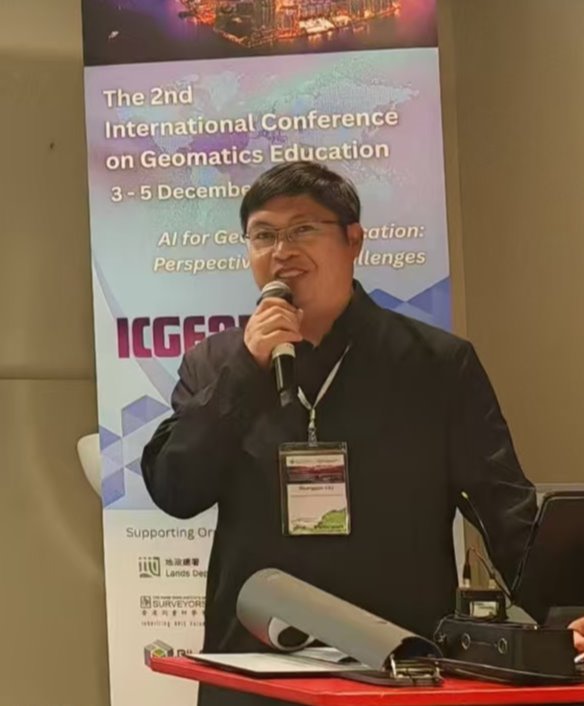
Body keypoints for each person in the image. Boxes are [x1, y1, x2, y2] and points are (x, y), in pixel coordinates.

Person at [141, 161, 538, 705]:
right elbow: (175, 489)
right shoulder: (215, 364)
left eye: (303, 229)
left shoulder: (435, 364)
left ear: (354, 241)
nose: (281, 251)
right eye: (263, 235)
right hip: (254, 667)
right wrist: (245, 373)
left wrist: (572, 608)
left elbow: (504, 505)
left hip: (398, 664)